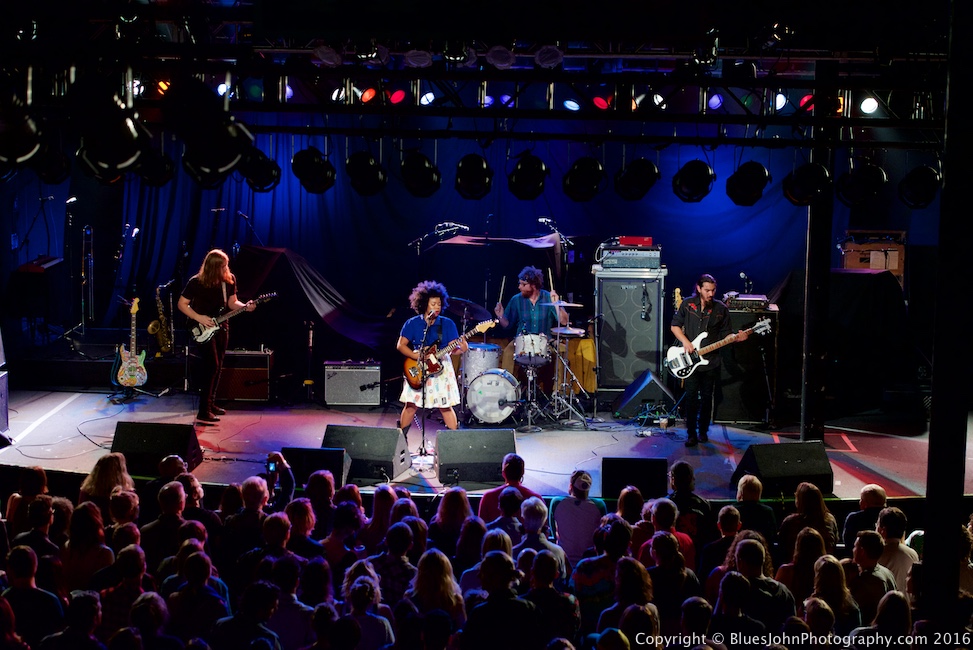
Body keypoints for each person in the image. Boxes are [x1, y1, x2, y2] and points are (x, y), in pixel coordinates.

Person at [178, 248, 258, 424]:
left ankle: (210, 404)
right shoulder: (196, 282)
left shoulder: (229, 280)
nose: (226, 269)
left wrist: (245, 306)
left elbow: (231, 302)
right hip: (200, 327)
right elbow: (182, 304)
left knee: (219, 364)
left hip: (222, 326)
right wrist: (199, 317)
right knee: (211, 365)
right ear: (213, 268)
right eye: (223, 267)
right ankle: (202, 411)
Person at [669, 274, 747, 447]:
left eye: (713, 290)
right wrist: (686, 342)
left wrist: (736, 338)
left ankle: (703, 431)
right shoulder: (687, 304)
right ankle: (691, 434)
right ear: (699, 288)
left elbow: (726, 334)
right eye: (707, 290)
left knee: (706, 398)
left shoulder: (721, 309)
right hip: (690, 360)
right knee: (690, 398)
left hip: (711, 360)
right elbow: (674, 326)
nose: (711, 294)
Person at [397, 280, 467, 434]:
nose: (437, 307)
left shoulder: (447, 324)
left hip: (441, 368)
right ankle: (401, 439)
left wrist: (462, 348)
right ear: (423, 304)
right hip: (418, 367)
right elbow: (401, 345)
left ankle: (454, 442)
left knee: (445, 406)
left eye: (439, 304)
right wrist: (415, 356)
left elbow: (453, 349)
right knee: (410, 405)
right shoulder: (412, 323)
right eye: (433, 303)